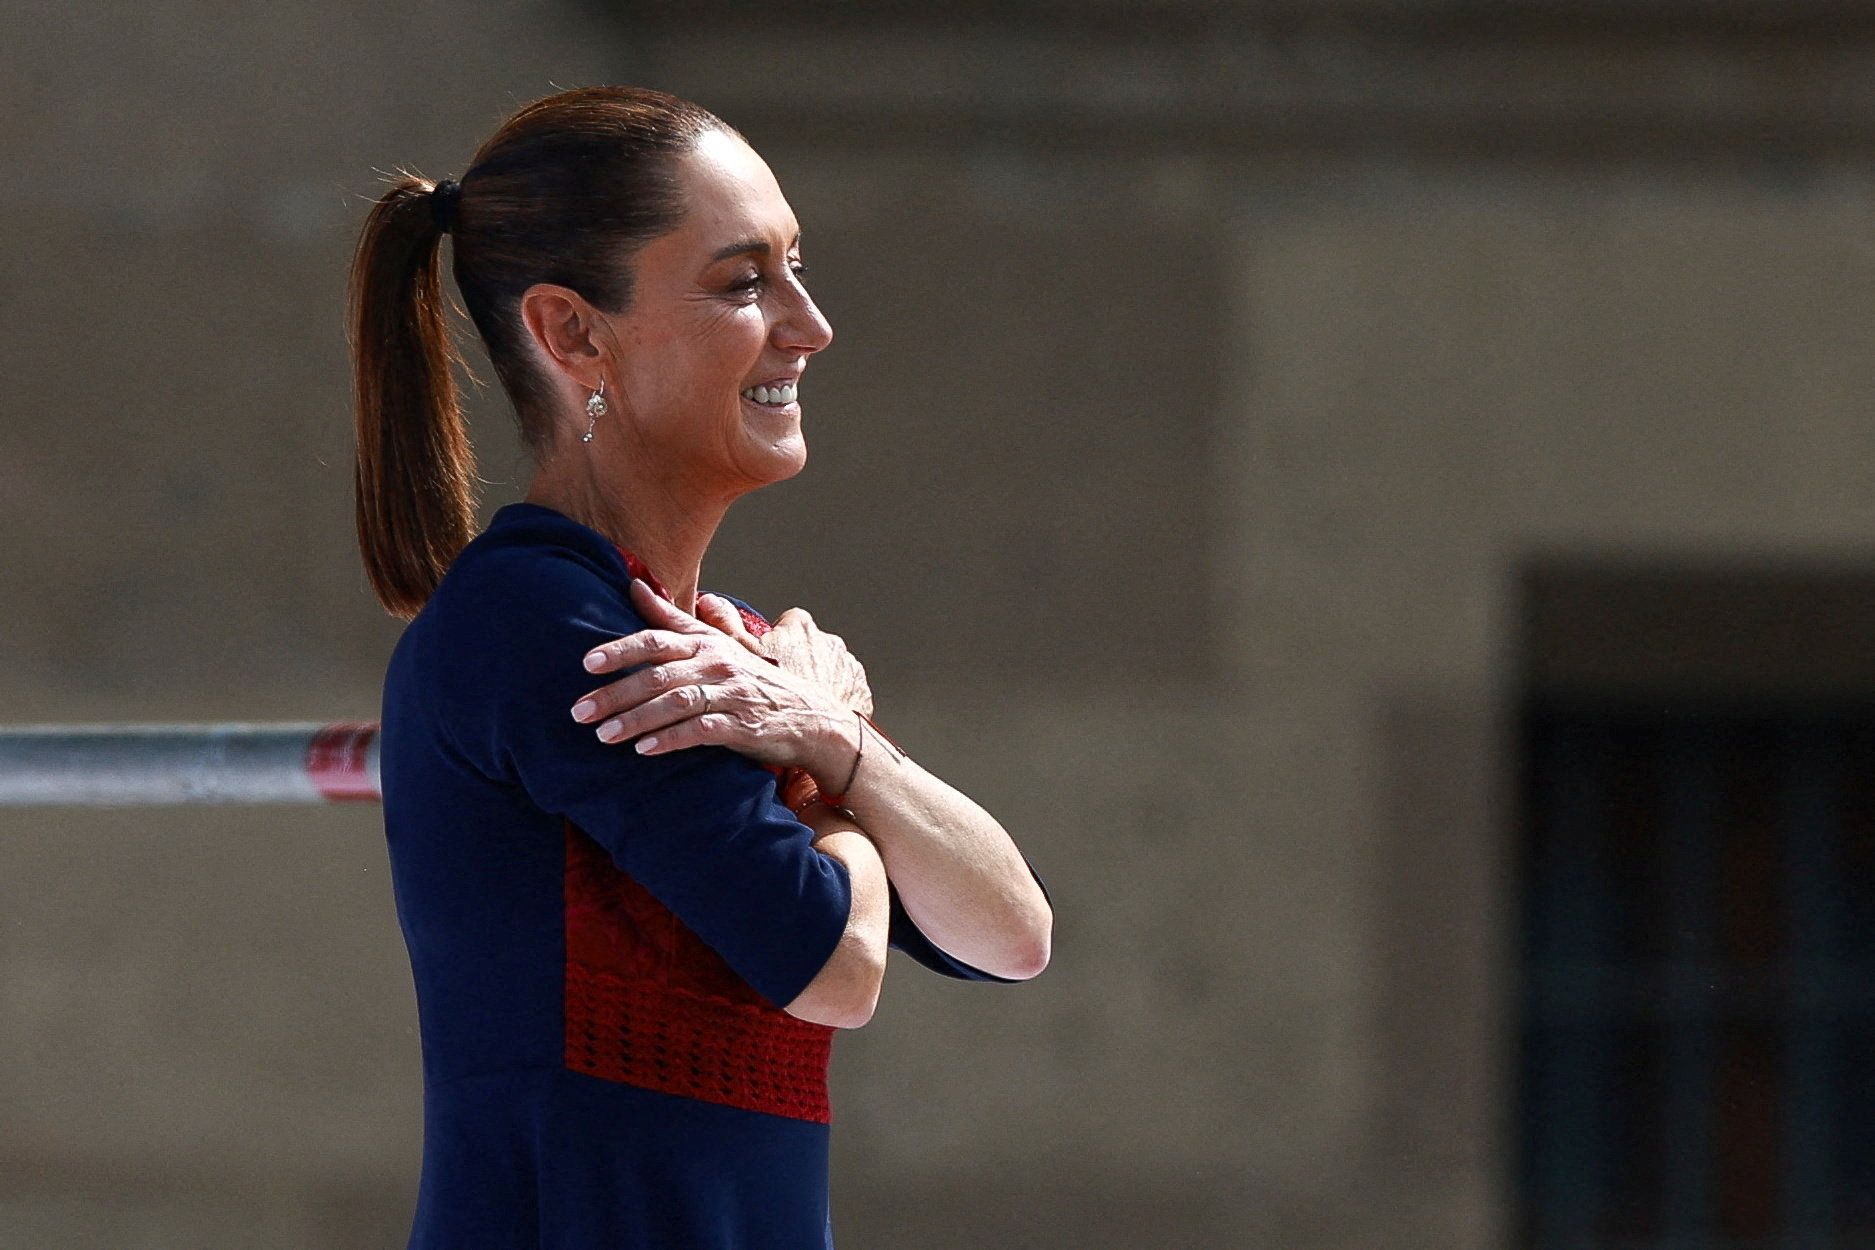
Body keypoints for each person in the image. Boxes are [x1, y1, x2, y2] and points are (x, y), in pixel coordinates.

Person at [349, 85, 1054, 1249]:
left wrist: (835, 741)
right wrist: (826, 772)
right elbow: (836, 962)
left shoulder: (741, 665)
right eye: (744, 282)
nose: (810, 325)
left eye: (795, 268)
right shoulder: (542, 618)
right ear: (574, 334)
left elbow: (1013, 935)